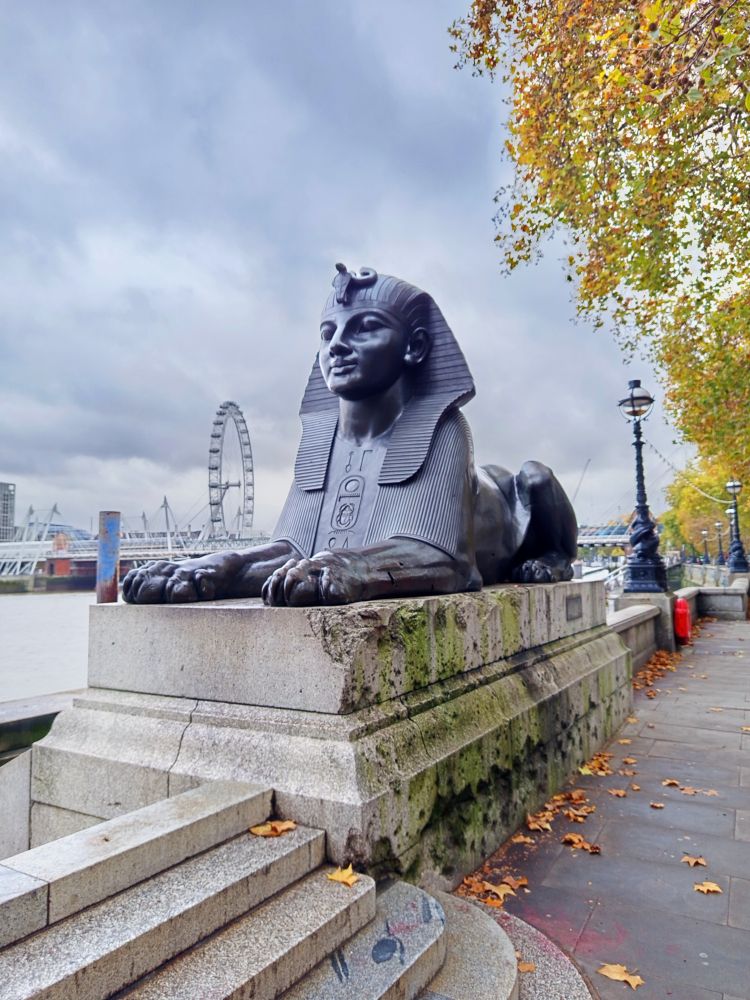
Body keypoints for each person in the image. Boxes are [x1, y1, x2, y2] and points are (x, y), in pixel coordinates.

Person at [122, 265, 577, 607]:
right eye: (328, 332)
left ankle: (557, 554)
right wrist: (215, 567)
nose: (336, 345)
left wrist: (351, 565)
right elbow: (294, 552)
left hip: (515, 524)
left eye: (365, 327)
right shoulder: (323, 439)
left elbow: (448, 562)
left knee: (535, 477)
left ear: (415, 347)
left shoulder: (444, 429)